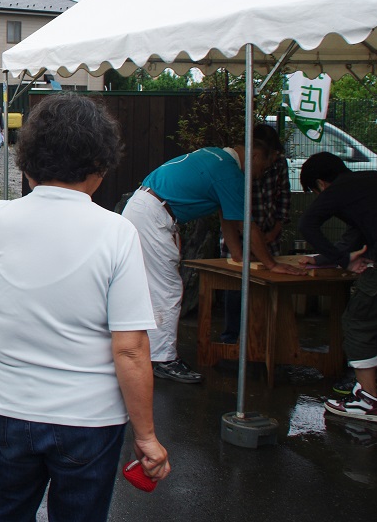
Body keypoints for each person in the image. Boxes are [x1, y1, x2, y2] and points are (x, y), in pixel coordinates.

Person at [0, 93, 169, 522]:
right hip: (90, 418)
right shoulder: (118, 233)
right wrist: (146, 436)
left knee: (6, 512)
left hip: (10, 409)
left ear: (28, 162)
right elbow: (130, 349)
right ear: (100, 167)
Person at [121, 136, 305, 383]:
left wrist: (238, 257)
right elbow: (246, 225)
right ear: (256, 156)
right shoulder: (228, 172)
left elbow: (227, 217)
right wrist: (272, 264)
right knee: (167, 289)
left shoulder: (215, 157)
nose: (262, 173)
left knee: (152, 287)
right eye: (266, 165)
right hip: (153, 215)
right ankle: (163, 360)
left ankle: (148, 351)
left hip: (146, 208)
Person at [297, 152, 377, 423]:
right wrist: (327, 258)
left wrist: (343, 260)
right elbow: (355, 238)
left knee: (358, 324)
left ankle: (368, 401)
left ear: (321, 183)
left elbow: (307, 225)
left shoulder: (339, 189)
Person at [218, 123, 290, 342]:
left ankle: (264, 338)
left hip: (268, 234)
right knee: (235, 288)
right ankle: (232, 337)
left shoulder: (279, 164)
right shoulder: (234, 166)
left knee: (268, 287)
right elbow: (230, 214)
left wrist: (275, 230)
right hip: (238, 235)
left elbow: (283, 198)